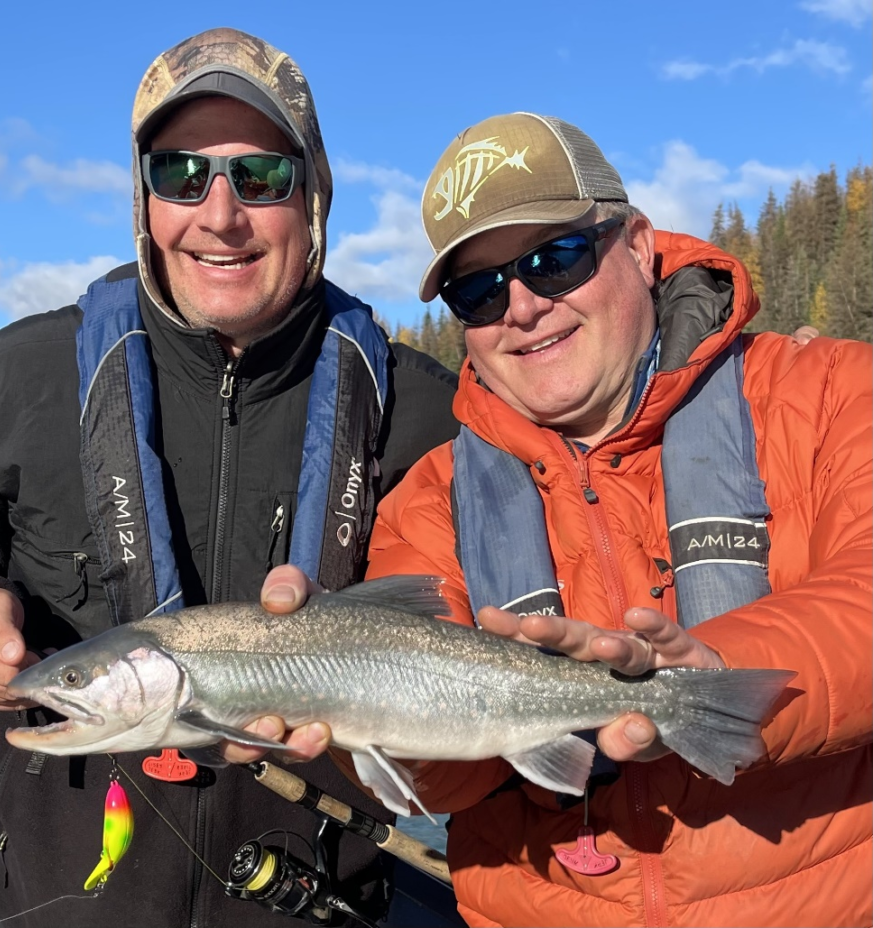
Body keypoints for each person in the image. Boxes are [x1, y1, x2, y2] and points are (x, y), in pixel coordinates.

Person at [0, 28, 459, 928]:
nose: (220, 215)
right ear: (144, 199)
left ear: (314, 198)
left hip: (324, 901)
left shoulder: (425, 410)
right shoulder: (14, 376)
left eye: (260, 176)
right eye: (181, 175)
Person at [262, 112, 872, 927]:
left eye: (554, 259)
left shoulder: (831, 392)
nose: (520, 307)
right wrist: (333, 695)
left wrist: (709, 672)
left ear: (639, 243)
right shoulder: (430, 503)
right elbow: (444, 783)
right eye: (477, 289)